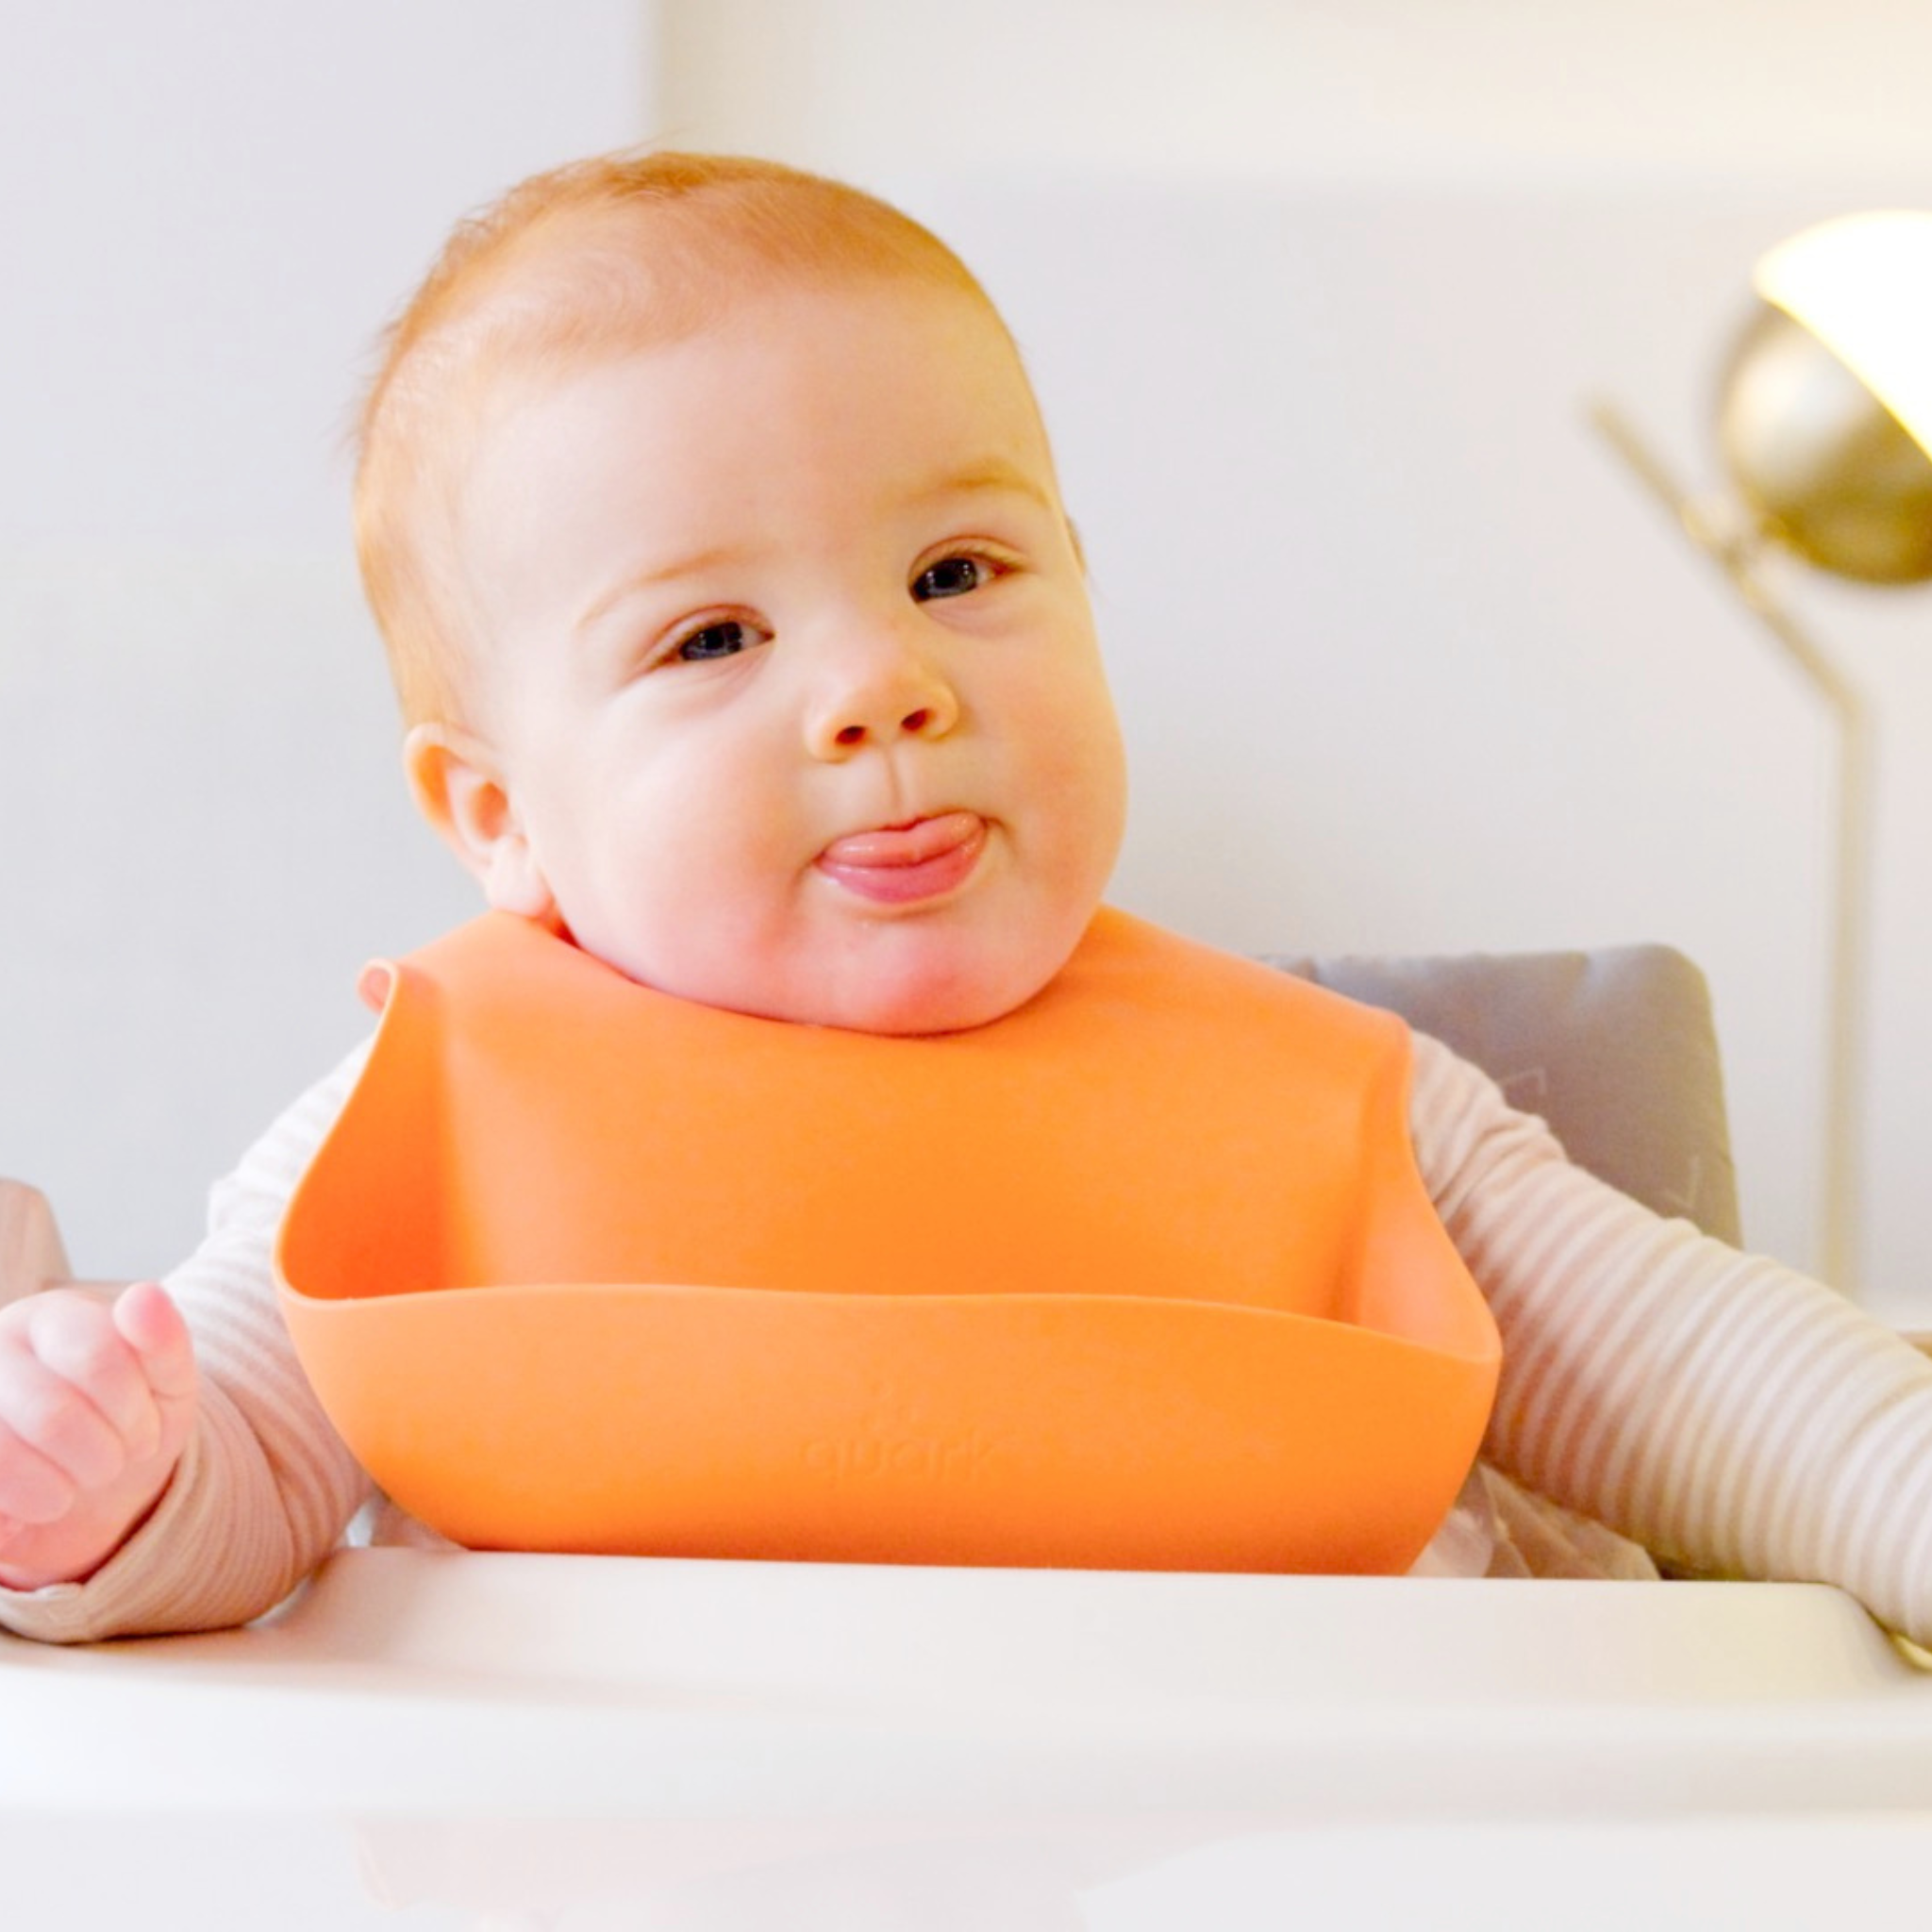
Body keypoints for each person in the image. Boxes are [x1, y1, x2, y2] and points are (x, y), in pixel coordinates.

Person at [2, 150, 1929, 1643]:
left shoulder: (1354, 1107)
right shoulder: (422, 1115)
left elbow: (1713, 1386)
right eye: (712, 636)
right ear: (495, 811)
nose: (880, 684)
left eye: (955, 573)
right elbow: (242, 1457)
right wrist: (100, 1491)